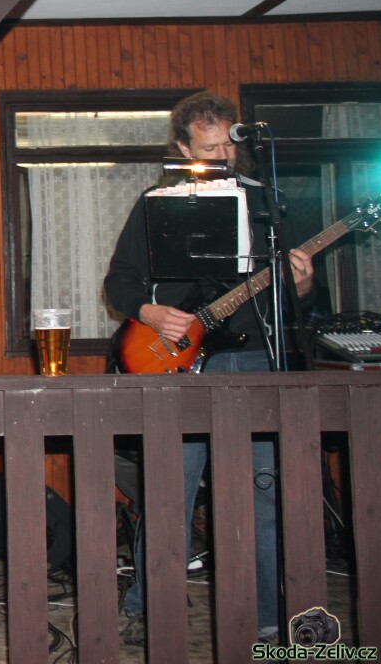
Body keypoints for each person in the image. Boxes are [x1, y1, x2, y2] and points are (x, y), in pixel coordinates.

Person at [103, 91, 315, 644]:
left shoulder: (266, 202)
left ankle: (268, 618)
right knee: (169, 494)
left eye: (227, 145)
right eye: (208, 147)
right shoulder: (157, 202)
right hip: (177, 363)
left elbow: (300, 304)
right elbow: (119, 281)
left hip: (255, 359)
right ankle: (148, 607)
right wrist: (150, 311)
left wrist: (302, 286)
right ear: (182, 147)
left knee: (261, 494)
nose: (221, 155)